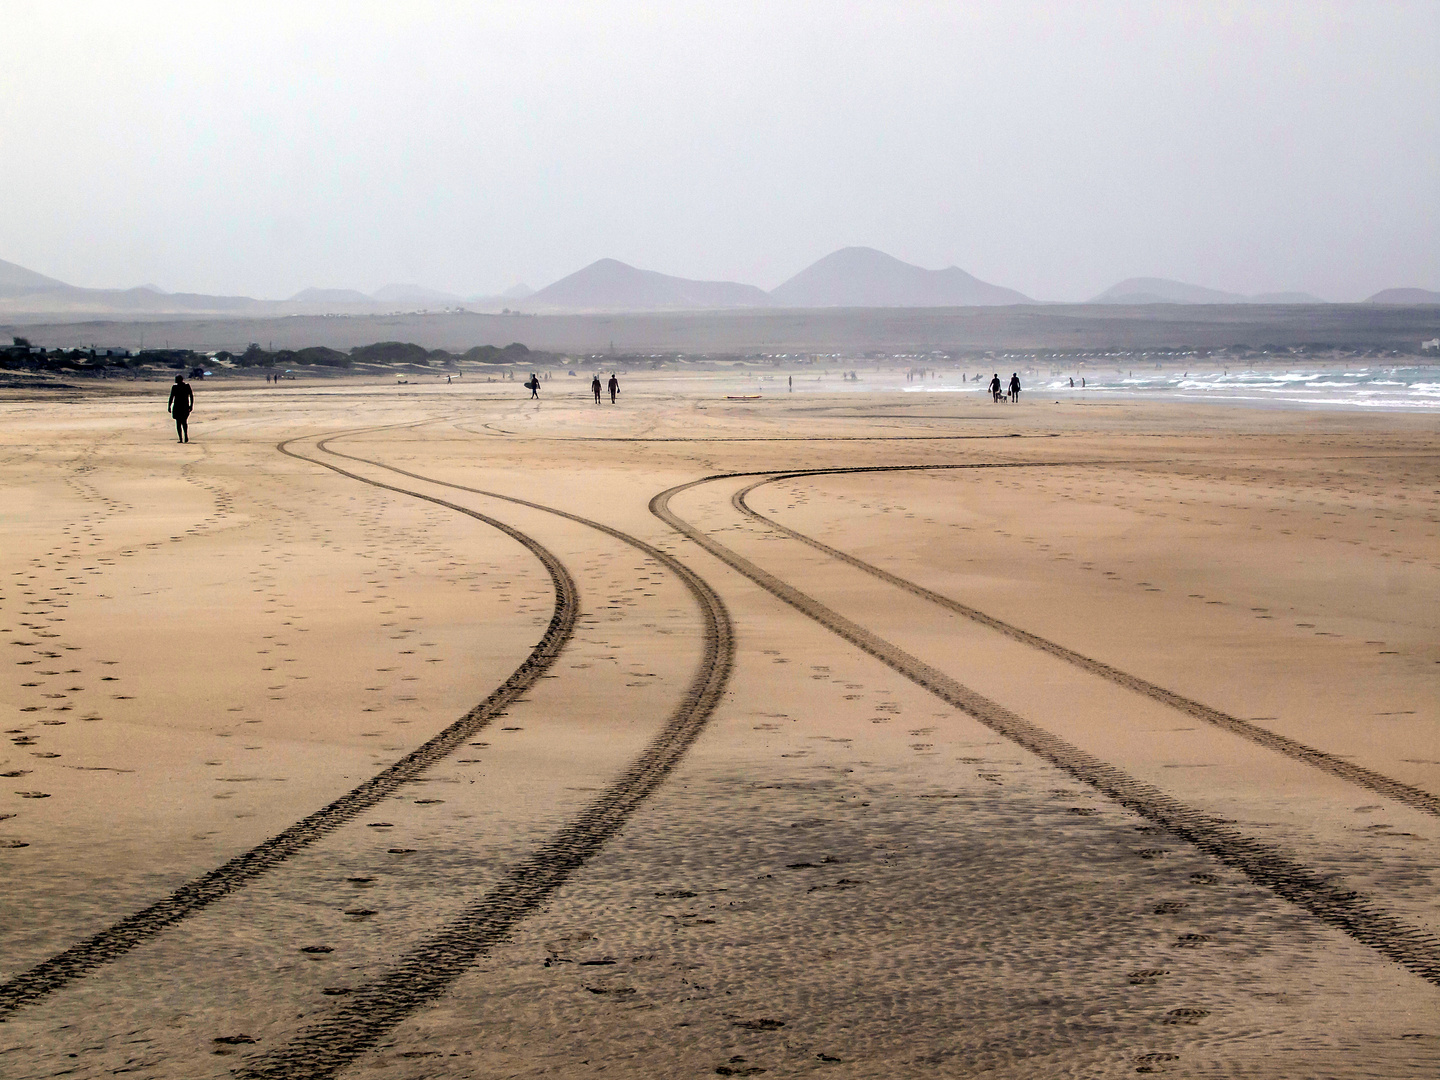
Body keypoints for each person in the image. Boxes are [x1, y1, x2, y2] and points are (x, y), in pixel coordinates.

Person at [168, 374, 193, 442]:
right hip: (183, 406)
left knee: (179, 422)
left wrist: (169, 406)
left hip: (179, 406)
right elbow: (191, 396)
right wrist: (191, 405)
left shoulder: (176, 387)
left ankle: (182, 438)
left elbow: (171, 397)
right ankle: (184, 437)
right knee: (183, 422)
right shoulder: (185, 386)